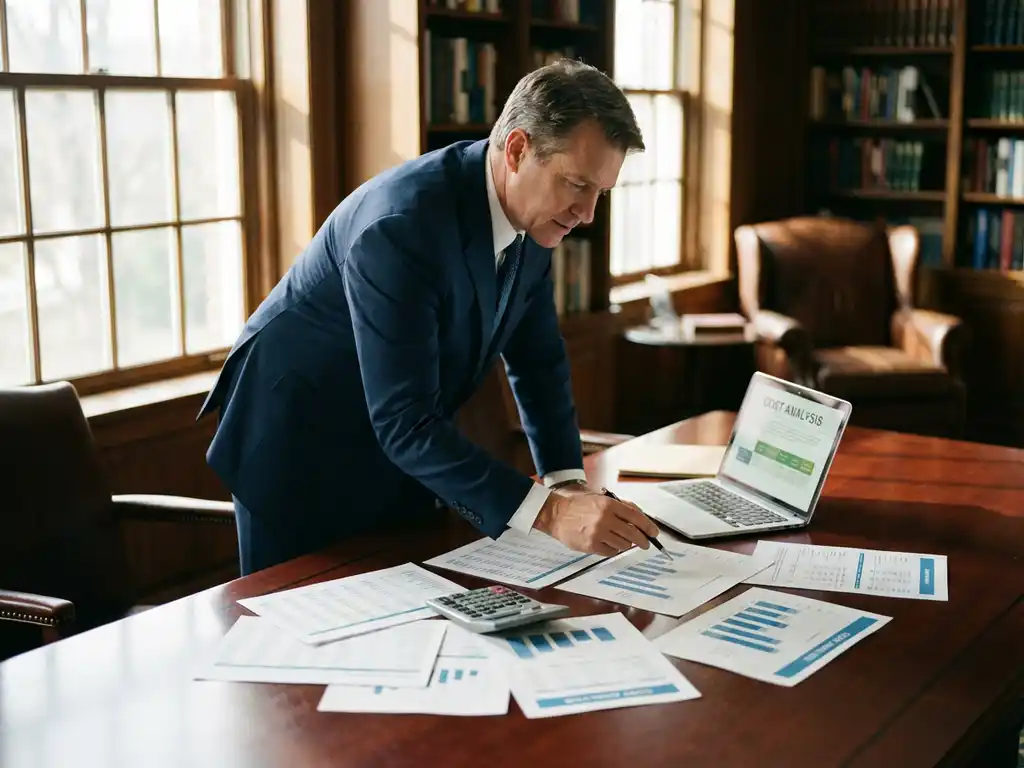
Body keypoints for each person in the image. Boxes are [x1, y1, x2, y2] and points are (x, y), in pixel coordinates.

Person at [198, 59, 661, 574]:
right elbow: (404, 422)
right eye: (577, 184)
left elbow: (539, 363)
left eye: (601, 192)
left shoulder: (537, 218)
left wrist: (565, 482)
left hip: (398, 454)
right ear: (517, 150)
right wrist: (551, 514)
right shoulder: (402, 226)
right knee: (294, 635)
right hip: (297, 445)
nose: (588, 213)